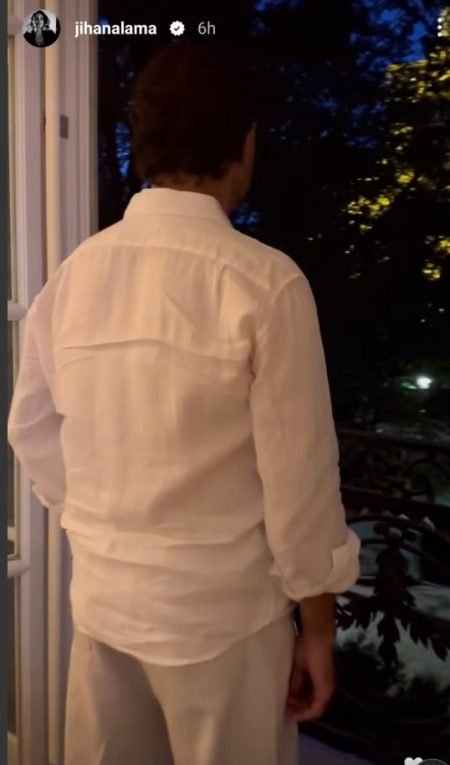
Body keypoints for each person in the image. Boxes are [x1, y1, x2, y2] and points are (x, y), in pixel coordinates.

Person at [8, 41, 360, 765]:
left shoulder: (75, 276)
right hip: (225, 621)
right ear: (244, 143)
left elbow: (31, 428)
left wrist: (103, 520)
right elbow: (300, 487)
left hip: (106, 601)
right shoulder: (265, 283)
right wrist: (319, 630)